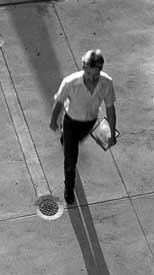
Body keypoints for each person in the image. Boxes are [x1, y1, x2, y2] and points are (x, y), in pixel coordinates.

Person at [49, 49, 117, 205]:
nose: (92, 79)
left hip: (89, 123)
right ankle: (69, 186)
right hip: (71, 122)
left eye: (95, 75)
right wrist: (53, 120)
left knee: (73, 143)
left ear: (100, 70)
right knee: (71, 159)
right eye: (89, 75)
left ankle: (65, 140)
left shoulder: (106, 83)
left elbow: (110, 109)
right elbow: (59, 102)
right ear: (83, 68)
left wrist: (112, 134)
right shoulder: (70, 83)